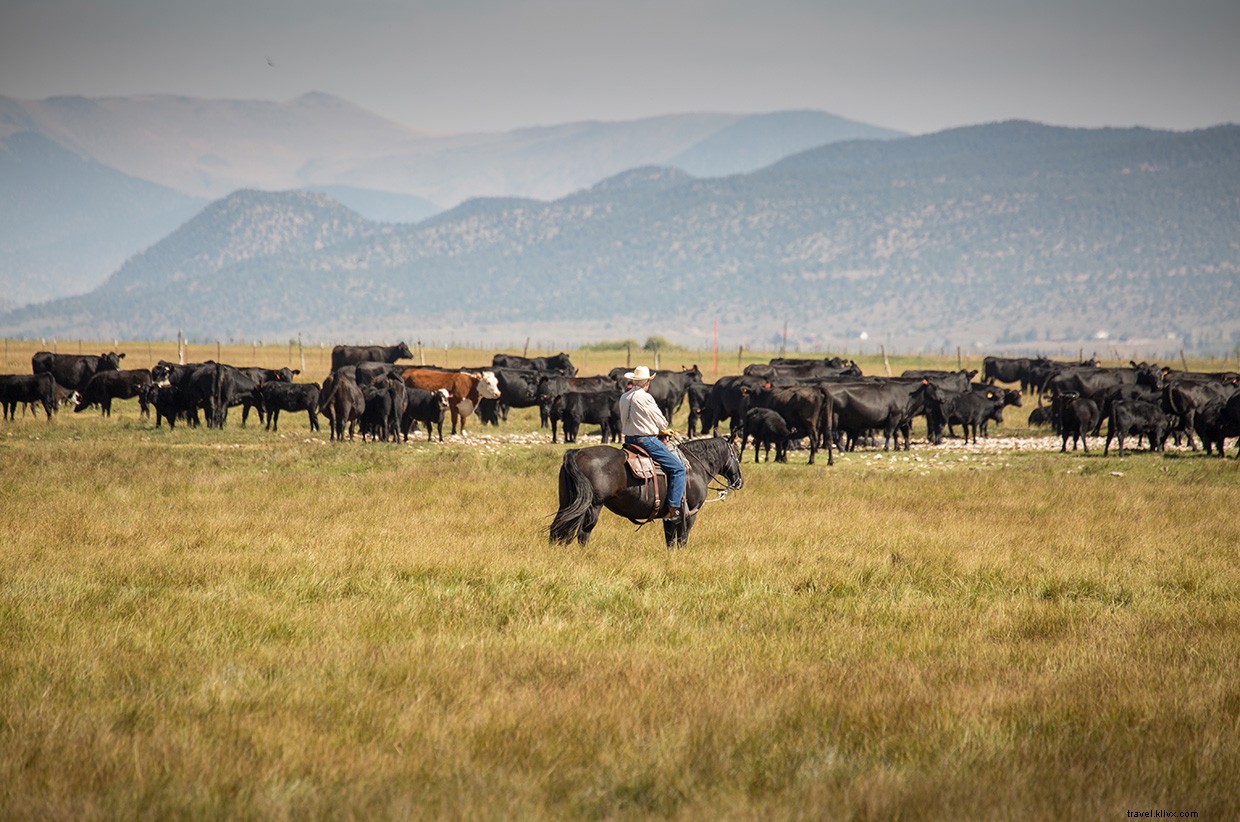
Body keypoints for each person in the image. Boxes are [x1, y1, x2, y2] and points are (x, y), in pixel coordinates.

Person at [618, 365, 686, 524]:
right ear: (647, 382)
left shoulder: (624, 397)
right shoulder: (645, 397)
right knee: (678, 468)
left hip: (629, 440)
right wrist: (664, 428)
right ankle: (674, 509)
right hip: (646, 440)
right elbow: (658, 417)